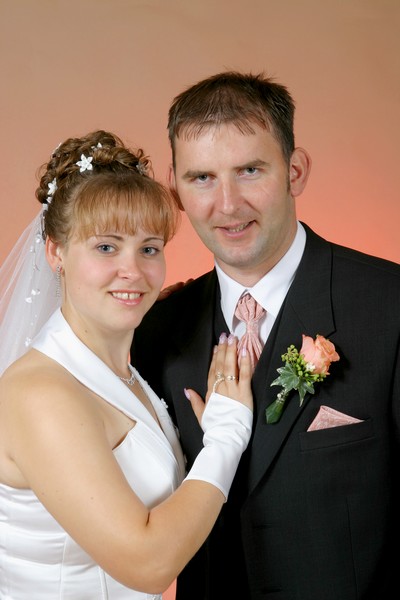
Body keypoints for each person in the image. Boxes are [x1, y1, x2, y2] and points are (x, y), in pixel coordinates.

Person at [131, 71, 400, 600]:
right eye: (202, 178)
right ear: (175, 188)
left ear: (295, 171)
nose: (228, 204)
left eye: (249, 170)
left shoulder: (389, 305)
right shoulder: (155, 331)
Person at [0, 129, 254, 599]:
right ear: (56, 252)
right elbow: (149, 564)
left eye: (149, 248)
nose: (133, 271)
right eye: (106, 247)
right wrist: (226, 438)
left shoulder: (131, 378)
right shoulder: (40, 393)